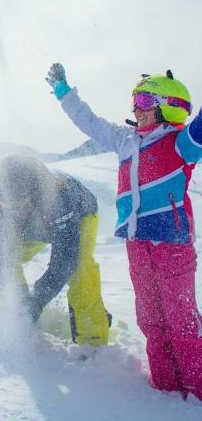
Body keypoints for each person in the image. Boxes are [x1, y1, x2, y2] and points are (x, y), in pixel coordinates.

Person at [47, 63, 202, 400]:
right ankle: (164, 387)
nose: (136, 107)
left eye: (145, 99)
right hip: (137, 243)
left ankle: (196, 387)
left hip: (171, 244)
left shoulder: (182, 143)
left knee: (181, 319)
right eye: (135, 99)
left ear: (168, 106)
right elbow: (89, 121)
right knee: (150, 316)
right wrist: (64, 92)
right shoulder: (125, 140)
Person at [0, 154, 111, 346]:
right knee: (4, 258)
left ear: (33, 192)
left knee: (79, 269)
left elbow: (65, 258)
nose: (13, 210)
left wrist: (38, 299)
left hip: (79, 219)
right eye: (7, 205)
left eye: (20, 204)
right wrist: (16, 301)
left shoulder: (57, 196)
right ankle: (18, 312)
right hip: (30, 229)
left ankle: (93, 341)